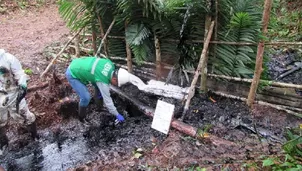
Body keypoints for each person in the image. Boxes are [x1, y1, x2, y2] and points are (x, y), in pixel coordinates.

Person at [65, 56, 130, 123]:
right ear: (114, 79)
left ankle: (99, 108)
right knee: (86, 97)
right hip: (72, 73)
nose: (115, 85)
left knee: (99, 88)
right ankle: (82, 118)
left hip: (79, 63)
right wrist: (117, 114)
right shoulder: (102, 81)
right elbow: (108, 101)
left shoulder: (110, 64)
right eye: (116, 84)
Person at [0, 49, 38, 153]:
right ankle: (3, 145)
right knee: (0, 122)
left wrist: (22, 84)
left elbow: (20, 74)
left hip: (13, 93)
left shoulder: (7, 58)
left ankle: (35, 138)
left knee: (25, 115)